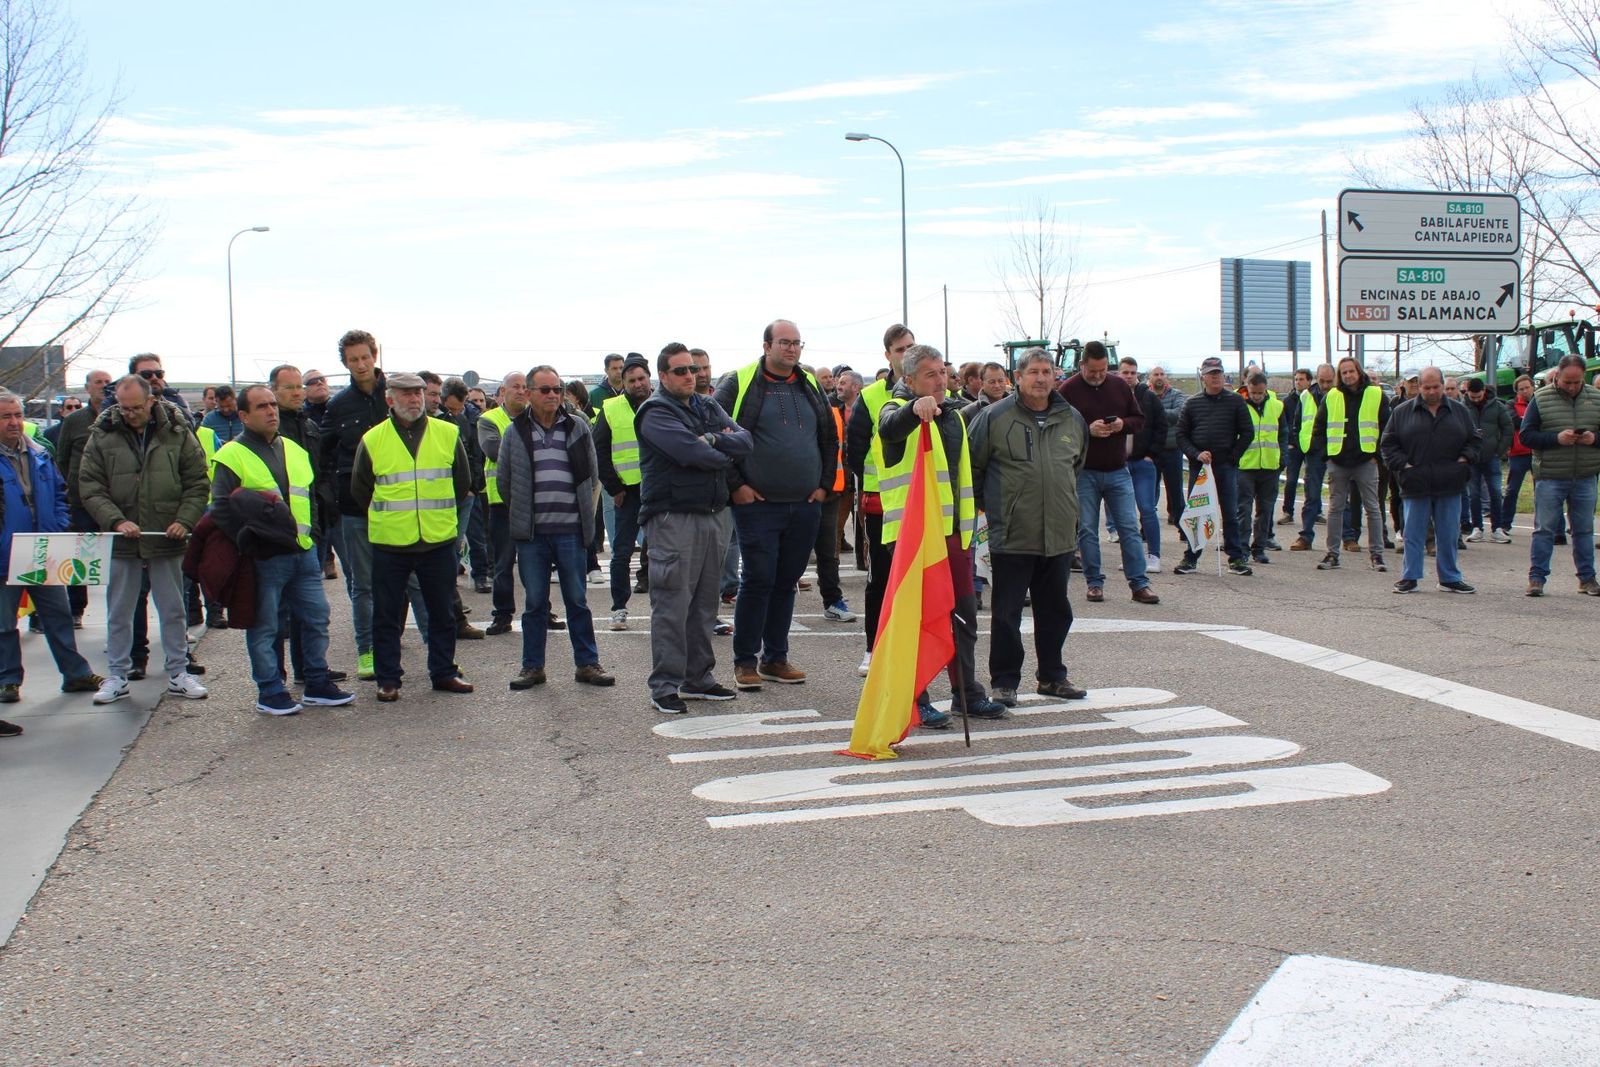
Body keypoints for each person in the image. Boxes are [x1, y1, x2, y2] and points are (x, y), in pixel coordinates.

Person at [876, 344, 1007, 724]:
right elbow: (889, 426)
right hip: (913, 537)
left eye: (942, 373)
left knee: (963, 615)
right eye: (930, 375)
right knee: (916, 620)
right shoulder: (894, 407)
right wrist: (912, 409)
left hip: (953, 533)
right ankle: (914, 697)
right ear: (909, 378)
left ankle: (966, 692)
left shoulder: (953, 416)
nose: (940, 380)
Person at [210, 385, 354, 714]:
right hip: (264, 558)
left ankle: (316, 682)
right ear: (244, 415)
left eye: (273, 405)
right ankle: (270, 690)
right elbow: (220, 509)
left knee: (317, 617)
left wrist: (314, 535)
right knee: (266, 627)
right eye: (262, 406)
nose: (271, 411)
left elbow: (310, 497)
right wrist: (249, 543)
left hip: (303, 552)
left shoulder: (294, 449)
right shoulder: (231, 455)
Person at [712, 319, 837, 690]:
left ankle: (776, 658)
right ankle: (745, 662)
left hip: (805, 503)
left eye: (797, 343)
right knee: (758, 579)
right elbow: (717, 436)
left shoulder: (809, 382)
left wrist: (823, 486)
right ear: (766, 346)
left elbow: (829, 439)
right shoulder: (740, 381)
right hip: (756, 505)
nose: (792, 349)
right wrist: (737, 487)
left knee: (786, 582)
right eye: (784, 342)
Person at [80, 374, 210, 705]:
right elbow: (90, 485)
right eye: (123, 408)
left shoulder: (178, 432)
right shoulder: (102, 433)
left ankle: (179, 672)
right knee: (119, 610)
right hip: (122, 540)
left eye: (136, 408)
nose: (129, 414)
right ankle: (117, 675)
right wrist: (116, 520)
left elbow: (197, 481)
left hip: (165, 537)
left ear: (151, 401)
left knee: (172, 609)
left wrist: (184, 520)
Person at [969, 351, 1088, 707]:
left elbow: (1076, 466)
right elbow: (972, 467)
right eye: (1032, 372)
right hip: (1012, 533)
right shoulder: (994, 417)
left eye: (1046, 372)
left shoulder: (1073, 419)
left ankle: (1053, 677)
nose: (1040, 378)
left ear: (1055, 376)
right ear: (1016, 377)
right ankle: (1004, 682)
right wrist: (990, 509)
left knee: (1055, 609)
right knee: (1006, 613)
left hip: (1059, 532)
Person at [637, 343, 752, 714]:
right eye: (682, 371)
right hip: (674, 518)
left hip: (713, 513)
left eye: (693, 369)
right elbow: (691, 453)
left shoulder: (705, 404)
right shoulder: (655, 412)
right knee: (672, 604)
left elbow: (746, 440)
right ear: (664, 376)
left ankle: (698, 678)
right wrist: (720, 452)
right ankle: (664, 685)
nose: (691, 376)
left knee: (704, 603)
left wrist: (717, 439)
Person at [350, 372, 474, 701]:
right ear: (390, 399)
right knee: (388, 614)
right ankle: (388, 679)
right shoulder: (373, 440)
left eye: (418, 392)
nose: (415, 399)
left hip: (437, 540)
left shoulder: (448, 433)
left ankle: (443, 672)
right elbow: (361, 490)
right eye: (406, 394)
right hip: (391, 542)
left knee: (442, 613)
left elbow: (461, 484)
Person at [497, 366, 614, 690]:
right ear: (530, 393)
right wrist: (523, 513)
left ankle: (587, 664)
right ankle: (532, 667)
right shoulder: (515, 431)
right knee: (535, 603)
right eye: (545, 390)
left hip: (571, 532)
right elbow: (505, 482)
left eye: (557, 389)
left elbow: (591, 475)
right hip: (532, 535)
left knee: (577, 600)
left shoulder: (577, 427)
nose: (552, 395)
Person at [0, 390, 103, 707]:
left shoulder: (39, 453)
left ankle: (75, 674)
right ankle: (8, 680)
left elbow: (59, 493)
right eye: (6, 417)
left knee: (58, 615)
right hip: (4, 553)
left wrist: (57, 526)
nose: (15, 422)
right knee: (4, 623)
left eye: (17, 415)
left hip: (42, 548)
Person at [1058, 342, 1158, 604]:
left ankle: (1139, 583)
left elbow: (1138, 420)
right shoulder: (1068, 390)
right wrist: (1086, 431)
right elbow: (1057, 429)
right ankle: (1094, 583)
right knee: (1088, 530)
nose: (1098, 375)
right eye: (1093, 371)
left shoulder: (1119, 386)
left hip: (1117, 471)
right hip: (1084, 472)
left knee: (1128, 528)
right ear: (1082, 366)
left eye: (1103, 370)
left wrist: (1122, 424)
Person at [268, 364, 346, 686]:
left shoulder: (311, 426)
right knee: (276, 614)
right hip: (275, 534)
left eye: (299, 386)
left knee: (309, 610)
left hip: (311, 529)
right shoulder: (270, 431)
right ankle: (276, 677)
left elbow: (321, 470)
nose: (297, 392)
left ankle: (309, 670)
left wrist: (326, 501)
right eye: (288, 387)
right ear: (273, 390)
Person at [845, 324, 914, 678]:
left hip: (920, 503)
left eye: (911, 347)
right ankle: (873, 648)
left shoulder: (932, 389)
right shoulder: (871, 397)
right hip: (881, 503)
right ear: (887, 355)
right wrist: (875, 484)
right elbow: (854, 450)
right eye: (900, 349)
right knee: (881, 579)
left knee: (916, 579)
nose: (906, 354)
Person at [321, 329, 389, 680]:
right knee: (362, 584)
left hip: (399, 506)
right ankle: (367, 651)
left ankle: (436, 652)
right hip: (355, 508)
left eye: (365, 357)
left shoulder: (393, 396)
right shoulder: (338, 406)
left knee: (410, 582)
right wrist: (333, 494)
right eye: (353, 360)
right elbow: (324, 454)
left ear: (375, 356)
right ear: (345, 363)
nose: (361, 364)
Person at [1381, 367, 1481, 594]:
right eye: (1427, 387)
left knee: (1448, 533)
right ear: (1419, 388)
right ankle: (1410, 576)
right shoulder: (1403, 412)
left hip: (1450, 482)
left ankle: (1449, 578)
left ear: (1443, 386)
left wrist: (1464, 460)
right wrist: (1404, 466)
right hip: (1416, 483)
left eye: (1436, 387)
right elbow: (1388, 445)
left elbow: (1475, 441)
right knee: (1413, 533)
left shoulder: (1459, 411)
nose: (1432, 391)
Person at [1520, 354, 1600, 597]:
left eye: (1577, 382)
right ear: (1558, 376)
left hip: (1585, 474)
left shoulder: (1596, 398)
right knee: (1544, 529)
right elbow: (1526, 436)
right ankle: (1537, 579)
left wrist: (1594, 438)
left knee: (1584, 529)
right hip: (1550, 476)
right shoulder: (1541, 399)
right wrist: (1556, 438)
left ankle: (1587, 579)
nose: (1572, 387)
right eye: (1567, 382)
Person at [1174, 357, 1253, 575]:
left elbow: (1247, 432)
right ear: (1203, 377)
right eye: (1211, 373)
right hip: (1200, 469)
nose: (1215, 377)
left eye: (1218, 373)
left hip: (1225, 466)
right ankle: (1191, 557)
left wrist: (1233, 456)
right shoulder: (1192, 403)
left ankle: (1236, 558)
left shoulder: (1236, 401)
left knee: (1229, 512)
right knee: (1197, 512)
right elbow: (1181, 435)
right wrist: (1196, 454)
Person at [1312, 357, 1390, 572]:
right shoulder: (1332, 396)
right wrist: (1326, 456)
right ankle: (1332, 554)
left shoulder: (1375, 394)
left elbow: (1386, 427)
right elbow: (1319, 427)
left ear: (1358, 371)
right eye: (1343, 372)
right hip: (1338, 460)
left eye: (1351, 371)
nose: (1347, 375)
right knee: (1336, 508)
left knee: (1373, 508)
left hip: (1366, 459)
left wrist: (1377, 455)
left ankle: (1377, 554)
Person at [594, 355, 654, 631]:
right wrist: (614, 487)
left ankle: (661, 606)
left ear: (649, 378)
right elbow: (600, 450)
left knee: (662, 551)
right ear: (624, 383)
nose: (638, 384)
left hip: (659, 490)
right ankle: (619, 607)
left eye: (642, 378)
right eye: (632, 380)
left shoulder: (663, 404)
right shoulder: (611, 408)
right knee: (621, 552)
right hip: (627, 492)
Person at [478, 372, 528, 634]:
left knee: (536, 562)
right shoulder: (488, 420)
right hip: (502, 502)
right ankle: (502, 614)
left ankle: (543, 610)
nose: (521, 391)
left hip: (532, 502)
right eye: (515, 387)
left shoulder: (537, 417)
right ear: (502, 393)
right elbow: (494, 451)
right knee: (503, 563)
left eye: (524, 387)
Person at [1117, 356, 1167, 573]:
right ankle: (1131, 557)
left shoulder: (1149, 397)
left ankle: (1153, 555)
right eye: (1125, 372)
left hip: (1144, 463)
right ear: (1119, 373)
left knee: (1147, 509)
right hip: (1119, 464)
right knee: (1125, 514)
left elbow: (1161, 427)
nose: (1128, 376)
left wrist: (1151, 455)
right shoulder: (1113, 395)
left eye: (1132, 373)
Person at [441, 377, 491, 590]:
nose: (454, 412)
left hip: (469, 490)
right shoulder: (437, 421)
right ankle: (448, 582)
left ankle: (480, 576)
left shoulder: (469, 420)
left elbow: (475, 455)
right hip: (442, 492)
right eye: (451, 408)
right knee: (449, 542)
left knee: (475, 535)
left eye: (458, 408)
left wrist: (474, 486)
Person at [1236, 371, 1285, 566]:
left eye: (1260, 393)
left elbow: (1283, 434)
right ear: (1247, 388)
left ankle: (1260, 548)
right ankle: (1242, 548)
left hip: (1270, 466)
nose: (1257, 396)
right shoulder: (1238, 405)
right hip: (1246, 465)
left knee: (1265, 510)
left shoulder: (1277, 406)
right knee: (1243, 509)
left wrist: (1283, 459)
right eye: (1253, 392)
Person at [1288, 364, 1335, 550]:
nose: (1325, 385)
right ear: (1317, 378)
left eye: (1329, 381)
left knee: (1340, 497)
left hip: (1337, 450)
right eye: (1322, 381)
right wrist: (1303, 446)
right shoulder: (1306, 396)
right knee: (1311, 495)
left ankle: (1348, 537)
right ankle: (1306, 536)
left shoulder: (1341, 395)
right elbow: (1297, 424)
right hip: (1314, 452)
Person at [1460, 377, 1512, 543]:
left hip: (1492, 456)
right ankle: (1477, 528)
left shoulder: (1497, 406)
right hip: (1471, 458)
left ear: (1484, 391)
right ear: (1467, 393)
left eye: (1478, 396)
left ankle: (1497, 528)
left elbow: (1508, 428)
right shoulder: (1462, 408)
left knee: (1496, 492)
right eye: (1472, 396)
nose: (1475, 400)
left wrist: (1499, 450)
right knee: (1473, 493)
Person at [1147, 365, 1187, 527]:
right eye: (1156, 374)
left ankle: (1182, 526)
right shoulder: (1145, 395)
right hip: (1151, 451)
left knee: (1176, 490)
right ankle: (1147, 527)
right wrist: (1164, 413)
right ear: (1150, 377)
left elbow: (1178, 415)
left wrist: (1155, 412)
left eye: (1162, 374)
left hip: (1172, 450)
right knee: (1149, 490)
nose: (1159, 377)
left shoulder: (1176, 394)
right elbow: (1141, 415)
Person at [1499, 375, 1536, 538]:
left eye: (1527, 387)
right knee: (1512, 490)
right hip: (1518, 454)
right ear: (1517, 391)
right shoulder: (1511, 404)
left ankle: (1546, 525)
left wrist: (1525, 421)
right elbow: (1513, 422)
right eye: (1521, 389)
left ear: (1532, 387)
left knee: (1542, 490)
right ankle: (1505, 523)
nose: (1525, 391)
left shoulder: (1540, 401)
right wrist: (1529, 422)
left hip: (1536, 453)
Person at [1279, 368, 1313, 526]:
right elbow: (1284, 425)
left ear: (1309, 381)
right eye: (1296, 379)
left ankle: (1316, 512)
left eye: (1301, 379)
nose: (1298, 382)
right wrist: (1289, 444)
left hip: (1310, 445)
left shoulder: (1313, 398)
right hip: (1294, 446)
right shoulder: (1287, 401)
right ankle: (1288, 512)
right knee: (1291, 480)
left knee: (1312, 480)